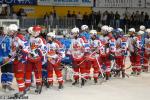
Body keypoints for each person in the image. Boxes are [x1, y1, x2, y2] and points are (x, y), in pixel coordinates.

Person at [9, 24, 29, 97]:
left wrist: (21, 52)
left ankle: (22, 91)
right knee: (17, 75)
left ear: (14, 31)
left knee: (19, 75)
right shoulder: (13, 38)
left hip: (21, 60)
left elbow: (26, 47)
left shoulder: (19, 37)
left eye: (10, 31)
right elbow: (13, 49)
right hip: (16, 59)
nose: (9, 32)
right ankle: (22, 89)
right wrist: (9, 56)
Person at [25, 25, 43, 93]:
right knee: (28, 72)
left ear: (39, 32)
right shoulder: (30, 38)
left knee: (37, 72)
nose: (34, 32)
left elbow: (43, 49)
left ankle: (38, 85)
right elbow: (27, 47)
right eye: (34, 31)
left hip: (37, 59)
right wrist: (27, 51)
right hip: (30, 58)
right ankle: (27, 85)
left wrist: (38, 53)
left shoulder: (40, 40)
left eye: (36, 31)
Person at [0, 26, 14, 92]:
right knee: (9, 72)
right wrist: (9, 57)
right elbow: (13, 49)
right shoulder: (9, 39)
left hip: (2, 59)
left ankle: (4, 86)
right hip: (8, 58)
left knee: (4, 72)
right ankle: (7, 86)